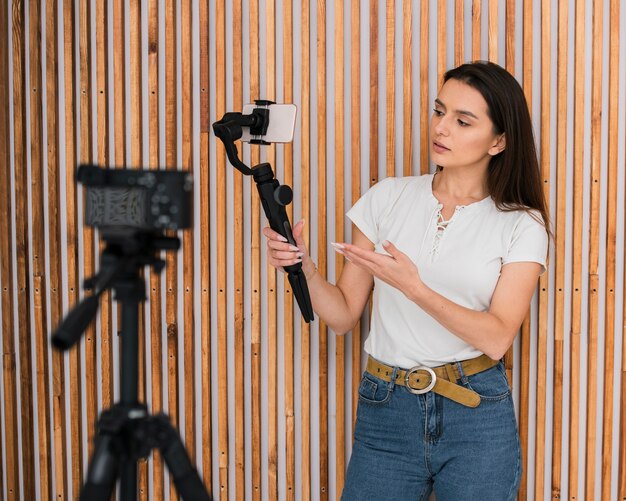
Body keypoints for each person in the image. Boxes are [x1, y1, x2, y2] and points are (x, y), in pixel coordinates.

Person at [263, 60, 549, 500]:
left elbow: (496, 338)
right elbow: (342, 316)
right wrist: (304, 268)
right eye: (439, 111)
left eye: (462, 120)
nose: (442, 128)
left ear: (499, 141)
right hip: (386, 407)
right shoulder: (387, 198)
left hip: (475, 413)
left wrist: (413, 286)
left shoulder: (521, 224)